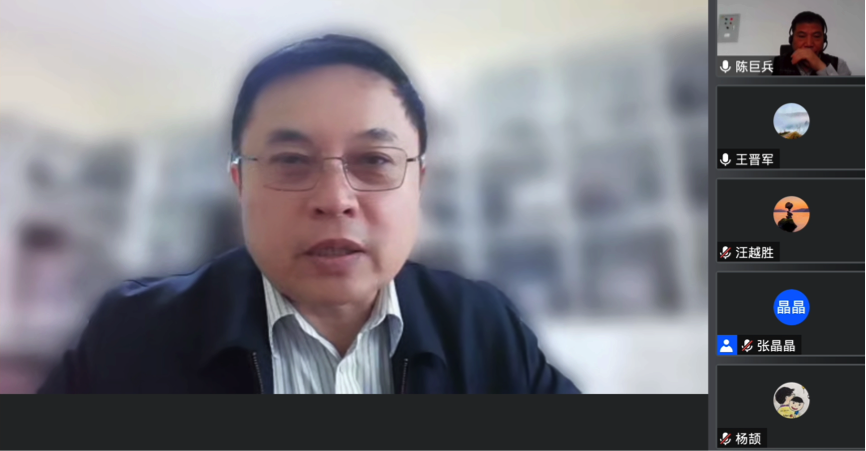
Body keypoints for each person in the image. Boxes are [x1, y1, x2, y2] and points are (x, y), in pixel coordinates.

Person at [37, 34, 580, 394]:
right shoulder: (133, 333)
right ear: (240, 184)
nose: (335, 198)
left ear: (419, 182)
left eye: (374, 161)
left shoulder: (484, 326)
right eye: (292, 161)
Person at [772, 12, 852, 76]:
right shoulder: (772, 64)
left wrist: (820, 67)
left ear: (824, 40)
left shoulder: (839, 65)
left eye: (816, 36)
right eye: (802, 36)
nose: (809, 44)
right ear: (791, 39)